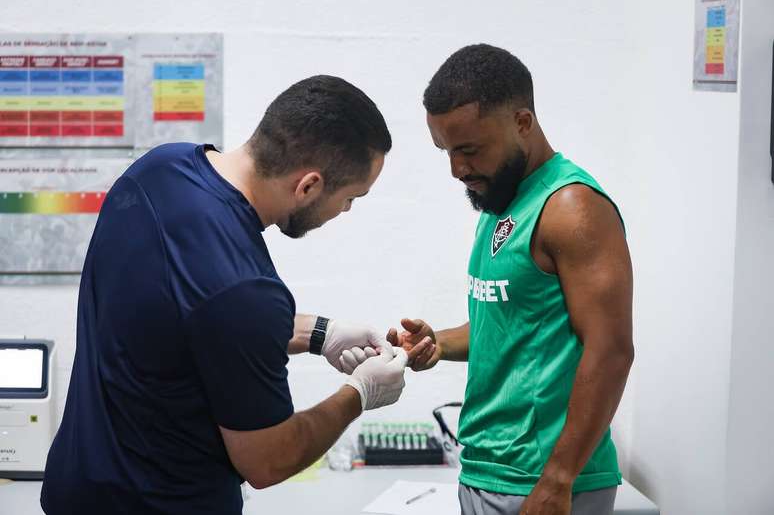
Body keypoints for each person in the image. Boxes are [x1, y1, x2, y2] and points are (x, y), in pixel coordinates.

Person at [41, 75, 408, 515]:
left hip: (76, 490)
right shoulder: (247, 289)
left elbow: (188, 318)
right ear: (308, 185)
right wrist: (361, 392)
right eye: (352, 198)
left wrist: (320, 333)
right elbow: (268, 460)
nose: (346, 211)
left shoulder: (157, 171)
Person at [388, 44, 634, 515]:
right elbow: (510, 325)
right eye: (446, 151)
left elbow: (612, 350)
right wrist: (438, 341)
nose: (457, 170)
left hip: (543, 480)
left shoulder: (571, 209)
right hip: (487, 469)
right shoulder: (503, 199)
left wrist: (558, 480)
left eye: (470, 150)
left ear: (523, 123)